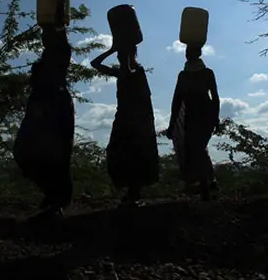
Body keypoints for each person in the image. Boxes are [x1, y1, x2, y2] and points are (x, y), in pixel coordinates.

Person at [13, 25, 75, 219]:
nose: (44, 37)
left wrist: (56, 19)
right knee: (23, 151)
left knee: (55, 155)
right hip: (39, 107)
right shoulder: (45, 59)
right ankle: (53, 194)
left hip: (55, 108)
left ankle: (58, 200)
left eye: (48, 33)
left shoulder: (61, 54)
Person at [91, 45, 159, 207]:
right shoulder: (121, 72)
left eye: (122, 56)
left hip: (137, 121)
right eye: (119, 57)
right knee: (118, 152)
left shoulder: (137, 71)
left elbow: (130, 72)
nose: (119, 59)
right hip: (123, 118)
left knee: (136, 155)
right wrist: (112, 49)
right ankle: (130, 192)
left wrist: (126, 54)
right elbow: (95, 63)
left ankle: (134, 193)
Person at [166, 44, 220, 201]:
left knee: (198, 150)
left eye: (190, 51)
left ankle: (205, 187)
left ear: (198, 53)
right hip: (193, 117)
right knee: (197, 150)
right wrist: (172, 123)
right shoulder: (183, 75)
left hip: (204, 115)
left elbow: (215, 97)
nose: (187, 54)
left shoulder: (206, 73)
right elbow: (176, 101)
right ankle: (208, 183)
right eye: (187, 52)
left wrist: (216, 119)